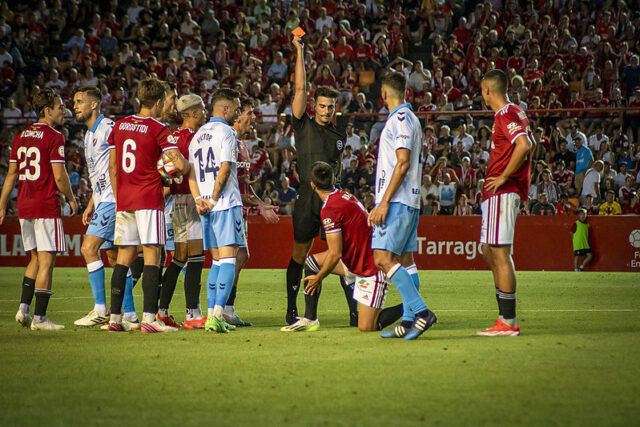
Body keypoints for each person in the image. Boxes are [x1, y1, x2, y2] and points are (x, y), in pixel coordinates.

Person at [107, 78, 189, 333]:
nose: (168, 103)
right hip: (148, 199)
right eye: (167, 99)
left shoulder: (120, 126)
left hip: (125, 200)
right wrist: (183, 168)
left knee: (124, 258)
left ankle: (114, 318)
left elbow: (112, 166)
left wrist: (120, 196)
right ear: (158, 101)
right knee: (153, 254)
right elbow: (178, 162)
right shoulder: (158, 129)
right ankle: (150, 319)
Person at [281, 161, 403, 332]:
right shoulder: (344, 195)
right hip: (358, 259)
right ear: (333, 179)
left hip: (371, 267)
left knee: (367, 326)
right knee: (311, 263)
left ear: (312, 184)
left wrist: (319, 278)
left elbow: (335, 252)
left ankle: (410, 306)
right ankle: (310, 319)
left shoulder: (330, 209)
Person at [285, 34, 356, 327]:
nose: (326, 110)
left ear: (336, 107)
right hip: (305, 198)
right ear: (315, 105)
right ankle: (292, 310)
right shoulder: (302, 124)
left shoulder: (340, 134)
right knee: (299, 256)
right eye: (323, 105)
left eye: (331, 107)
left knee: (340, 256)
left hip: (331, 200)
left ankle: (355, 312)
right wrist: (300, 50)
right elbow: (300, 86)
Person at [0, 88, 78, 330]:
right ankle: (40, 318)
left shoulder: (20, 136)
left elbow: (11, 175)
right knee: (47, 260)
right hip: (45, 205)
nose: (63, 110)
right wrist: (72, 198)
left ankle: (23, 310)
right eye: (59, 106)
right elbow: (60, 176)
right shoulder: (54, 137)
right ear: (47, 110)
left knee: (34, 257)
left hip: (24, 204)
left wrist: (2, 204)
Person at [368, 72, 437, 341]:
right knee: (405, 261)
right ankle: (408, 320)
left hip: (397, 201)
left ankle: (421, 312)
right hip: (409, 200)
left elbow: (403, 162)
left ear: (384, 94)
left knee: (382, 259)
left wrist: (383, 201)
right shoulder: (409, 119)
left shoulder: (400, 119)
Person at [72, 86, 137, 329]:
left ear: (94, 105)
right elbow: (99, 173)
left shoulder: (108, 128)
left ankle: (100, 308)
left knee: (88, 248)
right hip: (103, 199)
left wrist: (120, 201)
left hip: (113, 200)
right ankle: (129, 313)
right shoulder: (89, 134)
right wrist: (92, 202)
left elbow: (116, 167)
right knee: (113, 257)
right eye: (74, 102)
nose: (75, 106)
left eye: (80, 102)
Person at [478, 69, 534, 337]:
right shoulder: (515, 111)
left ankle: (508, 322)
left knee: (500, 253)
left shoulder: (506, 113)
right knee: (488, 250)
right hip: (497, 193)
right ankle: (503, 317)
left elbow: (524, 145)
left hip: (503, 191)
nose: (482, 95)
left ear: (488, 90)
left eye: (482, 90)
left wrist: (503, 176)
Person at [188, 88, 244, 333]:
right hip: (225, 204)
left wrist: (200, 199)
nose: (238, 112)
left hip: (205, 208)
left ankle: (211, 314)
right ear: (226, 108)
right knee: (229, 258)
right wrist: (213, 198)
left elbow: (191, 173)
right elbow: (224, 169)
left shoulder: (197, 135)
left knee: (216, 262)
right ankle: (218, 315)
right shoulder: (228, 133)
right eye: (237, 108)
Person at [156, 94, 207, 329]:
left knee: (179, 257)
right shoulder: (192, 138)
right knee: (196, 256)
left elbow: (163, 171)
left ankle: (162, 310)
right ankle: (192, 313)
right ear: (194, 113)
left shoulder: (172, 137)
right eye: (203, 110)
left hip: (176, 200)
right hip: (189, 199)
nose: (205, 113)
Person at [228, 97, 279, 327]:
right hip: (226, 206)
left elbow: (243, 186)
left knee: (240, 255)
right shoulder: (227, 139)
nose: (253, 119)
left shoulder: (243, 146)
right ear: (237, 116)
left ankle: (226, 308)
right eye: (249, 113)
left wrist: (259, 202)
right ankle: (218, 309)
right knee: (229, 256)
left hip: (240, 207)